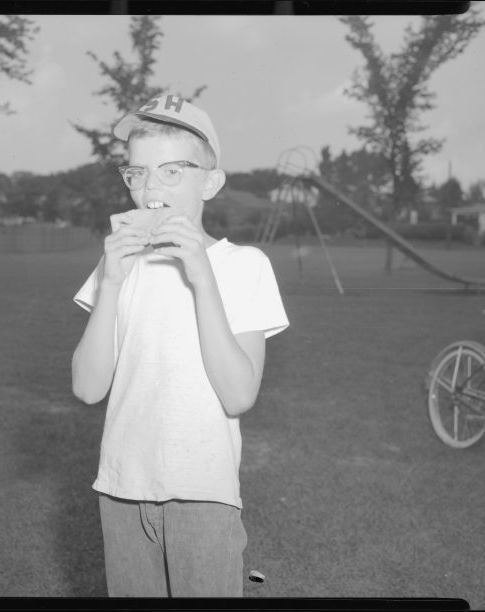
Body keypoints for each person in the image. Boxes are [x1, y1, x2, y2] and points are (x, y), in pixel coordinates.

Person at [71, 93, 289, 598]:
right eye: (137, 173)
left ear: (210, 183)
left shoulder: (244, 266)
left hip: (202, 494)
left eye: (172, 172)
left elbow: (238, 395)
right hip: (121, 489)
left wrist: (202, 278)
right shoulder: (118, 265)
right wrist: (111, 282)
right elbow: (87, 387)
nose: (150, 188)